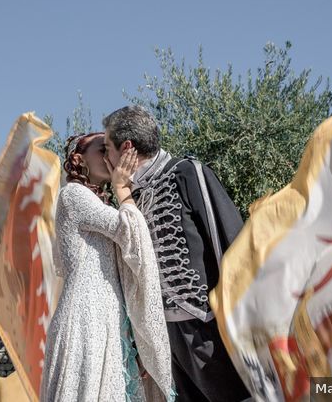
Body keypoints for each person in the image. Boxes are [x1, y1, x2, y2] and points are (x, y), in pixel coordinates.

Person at [103, 106, 251, 401]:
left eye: (108, 148)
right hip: (164, 335)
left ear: (127, 148)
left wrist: (239, 316)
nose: (107, 157)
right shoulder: (133, 196)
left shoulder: (186, 172)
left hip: (206, 325)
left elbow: (227, 236)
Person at [41, 132, 173, 402]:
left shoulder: (101, 203)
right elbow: (130, 231)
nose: (109, 157)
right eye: (101, 150)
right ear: (78, 158)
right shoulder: (74, 194)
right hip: (86, 318)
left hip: (108, 317)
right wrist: (123, 189)